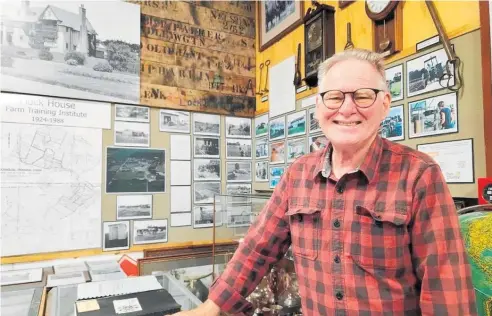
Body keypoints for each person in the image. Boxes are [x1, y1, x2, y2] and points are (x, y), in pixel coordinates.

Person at [172, 49, 477, 315]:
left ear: (385, 103)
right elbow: (256, 248)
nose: (347, 109)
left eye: (362, 95)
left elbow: (445, 287)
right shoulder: (297, 175)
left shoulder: (419, 174)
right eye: (334, 97)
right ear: (318, 107)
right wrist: (209, 308)